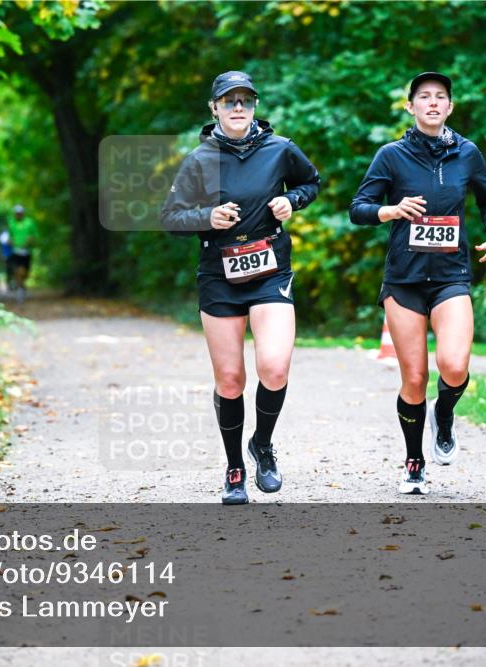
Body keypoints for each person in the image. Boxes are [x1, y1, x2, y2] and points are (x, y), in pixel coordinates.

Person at [161, 71, 321, 505]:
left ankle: (262, 445)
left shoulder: (280, 149)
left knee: (274, 367)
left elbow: (311, 182)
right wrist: (205, 218)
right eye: (228, 101)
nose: (237, 107)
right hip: (220, 277)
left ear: (254, 106)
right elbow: (169, 217)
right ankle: (234, 469)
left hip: (270, 270)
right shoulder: (199, 159)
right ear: (213, 108)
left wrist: (293, 201)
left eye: (245, 101)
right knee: (230, 380)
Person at [349, 72, 486, 495]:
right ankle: (414, 460)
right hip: (404, 280)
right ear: (411, 107)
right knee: (414, 377)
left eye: (440, 97)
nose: (432, 103)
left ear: (450, 107)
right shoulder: (391, 156)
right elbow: (358, 208)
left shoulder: (467, 154)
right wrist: (391, 210)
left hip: (451, 275)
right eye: (424, 97)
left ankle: (446, 414)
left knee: (454, 367)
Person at [7, 204, 38, 303]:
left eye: (20, 213)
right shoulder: (11, 223)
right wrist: (10, 241)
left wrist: (30, 240)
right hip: (15, 251)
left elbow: (35, 236)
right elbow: (9, 236)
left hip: (26, 251)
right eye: (17, 213)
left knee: (25, 272)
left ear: (23, 213)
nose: (18, 215)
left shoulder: (29, 223)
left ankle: (22, 286)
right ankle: (20, 290)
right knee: (17, 271)